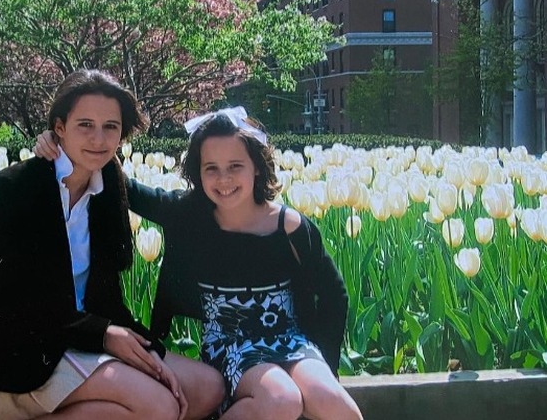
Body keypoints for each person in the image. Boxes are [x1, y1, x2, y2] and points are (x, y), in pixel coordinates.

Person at [34, 107, 363, 419]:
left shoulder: (289, 228)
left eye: (235, 166)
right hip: (230, 345)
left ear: (256, 166)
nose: (224, 179)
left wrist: (327, 366)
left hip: (292, 342)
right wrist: (61, 144)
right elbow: (128, 189)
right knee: (282, 399)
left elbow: (334, 296)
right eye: (211, 169)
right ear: (197, 172)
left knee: (335, 404)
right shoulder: (188, 216)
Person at [0, 69, 224, 420]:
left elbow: (107, 295)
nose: (98, 139)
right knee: (159, 406)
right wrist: (103, 335)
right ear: (59, 127)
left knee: (208, 388)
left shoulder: (108, 186)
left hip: (89, 342)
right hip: (30, 353)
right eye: (85, 125)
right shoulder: (11, 191)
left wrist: (139, 345)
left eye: (110, 127)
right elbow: (14, 303)